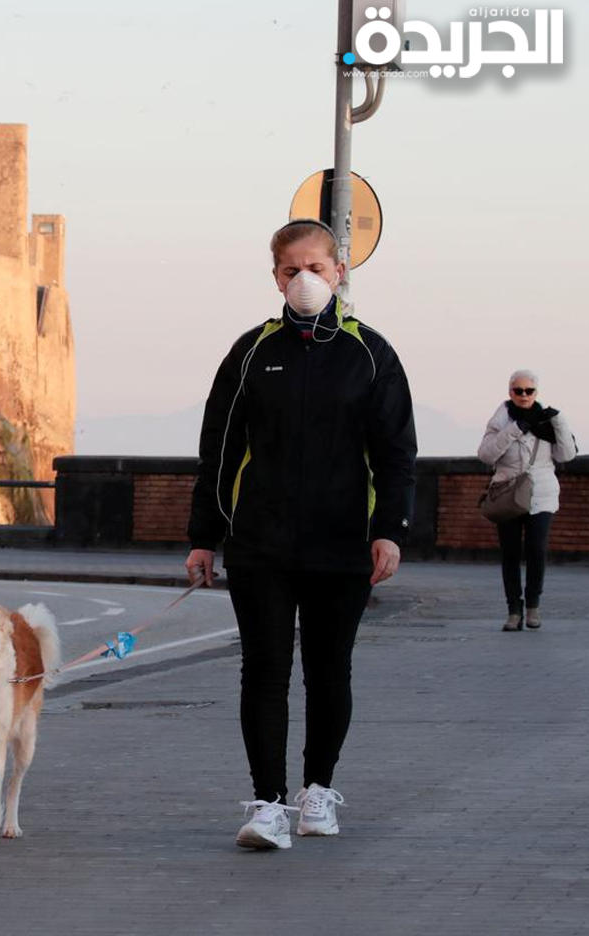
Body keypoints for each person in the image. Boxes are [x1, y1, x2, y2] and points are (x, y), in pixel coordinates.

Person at [184, 219, 417, 851]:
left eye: (316, 267)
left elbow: (396, 453)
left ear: (339, 271)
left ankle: (318, 792)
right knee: (264, 670)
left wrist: (389, 530)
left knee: (328, 670)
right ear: (276, 278)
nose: (304, 279)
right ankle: (267, 805)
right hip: (261, 543)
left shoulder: (371, 353)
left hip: (342, 542)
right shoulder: (251, 352)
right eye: (292, 270)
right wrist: (204, 536)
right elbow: (220, 451)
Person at [477, 369, 577, 631]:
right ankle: (513, 610)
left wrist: (559, 422)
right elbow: (486, 455)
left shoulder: (547, 421)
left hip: (541, 494)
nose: (524, 395)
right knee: (510, 553)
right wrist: (514, 430)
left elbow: (566, 455)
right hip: (508, 494)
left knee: (536, 550)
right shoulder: (500, 421)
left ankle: (533, 606)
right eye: (518, 390)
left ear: (536, 392)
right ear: (510, 392)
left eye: (529, 391)